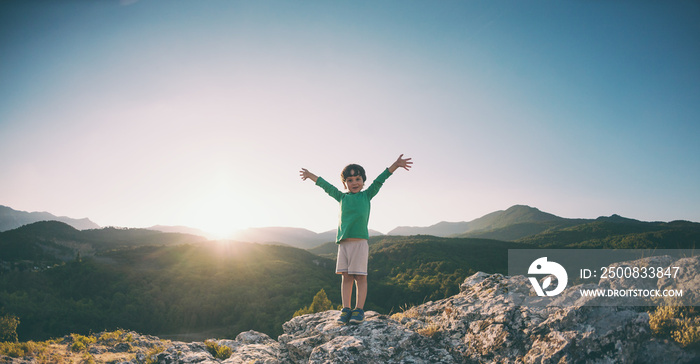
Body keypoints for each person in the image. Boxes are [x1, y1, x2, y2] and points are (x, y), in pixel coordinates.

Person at [299, 154, 412, 324]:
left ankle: (359, 310)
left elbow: (380, 180)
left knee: (360, 278)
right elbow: (326, 186)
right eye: (350, 180)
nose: (354, 182)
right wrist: (310, 175)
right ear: (345, 183)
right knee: (346, 277)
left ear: (363, 181)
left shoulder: (367, 195)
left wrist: (395, 165)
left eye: (358, 179)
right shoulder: (342, 197)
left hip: (360, 243)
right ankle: (346, 309)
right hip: (344, 244)